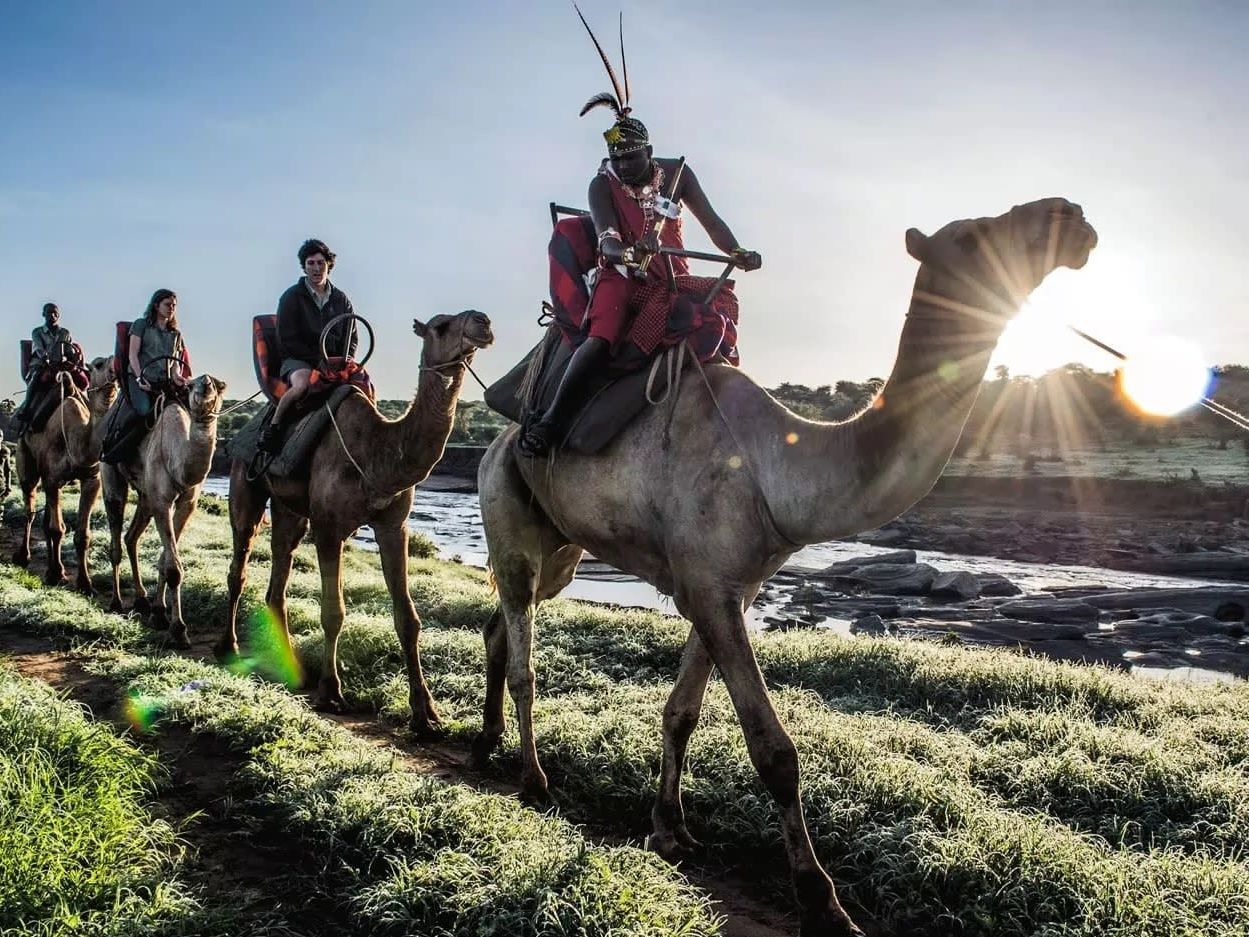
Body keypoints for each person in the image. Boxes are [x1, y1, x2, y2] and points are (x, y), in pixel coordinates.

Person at [518, 14, 761, 457]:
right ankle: (551, 423)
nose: (624, 168)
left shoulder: (678, 175)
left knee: (717, 316)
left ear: (649, 152)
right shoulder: (601, 184)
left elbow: (713, 223)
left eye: (632, 159)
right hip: (622, 273)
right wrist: (627, 252)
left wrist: (738, 251)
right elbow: (607, 238)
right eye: (617, 161)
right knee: (602, 338)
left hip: (672, 271)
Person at [259, 238, 357, 453]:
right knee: (302, 385)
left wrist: (344, 360)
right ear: (304, 267)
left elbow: (351, 336)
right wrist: (317, 361)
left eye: (320, 263)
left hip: (333, 362)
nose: (316, 268)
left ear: (328, 265)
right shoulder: (291, 297)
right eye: (311, 263)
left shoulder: (341, 300)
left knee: (362, 384)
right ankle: (273, 429)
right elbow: (287, 340)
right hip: (298, 360)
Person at [101, 289, 189, 463]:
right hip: (139, 378)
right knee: (142, 410)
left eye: (174, 305)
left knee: (186, 410)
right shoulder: (141, 325)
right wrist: (140, 378)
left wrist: (178, 377)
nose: (171, 308)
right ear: (156, 305)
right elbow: (133, 355)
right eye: (167, 304)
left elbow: (175, 365)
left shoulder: (176, 334)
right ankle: (116, 448)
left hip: (163, 382)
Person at [9, 302, 75, 436]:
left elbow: (69, 351)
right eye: (49, 312)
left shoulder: (65, 333)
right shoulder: (37, 332)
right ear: (43, 314)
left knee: (78, 380)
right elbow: (39, 349)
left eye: (55, 313)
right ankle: (26, 408)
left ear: (59, 315)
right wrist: (46, 358)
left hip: (60, 366)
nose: (52, 315)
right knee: (37, 376)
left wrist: (71, 358)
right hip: (40, 364)